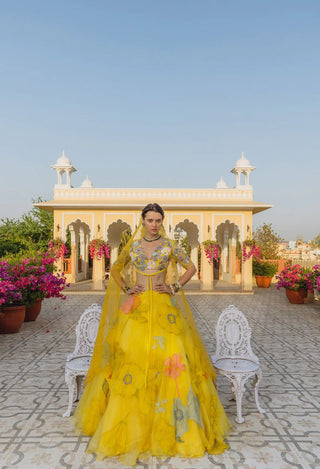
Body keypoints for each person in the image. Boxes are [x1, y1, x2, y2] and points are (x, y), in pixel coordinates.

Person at [72, 203, 231, 465]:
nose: (154, 224)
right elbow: (116, 270)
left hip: (164, 310)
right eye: (150, 220)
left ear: (162, 221)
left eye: (158, 220)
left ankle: (176, 425)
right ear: (142, 220)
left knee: (173, 359)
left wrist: (174, 287)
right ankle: (134, 423)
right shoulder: (133, 247)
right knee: (132, 360)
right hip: (137, 309)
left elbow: (191, 267)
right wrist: (127, 288)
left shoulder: (169, 246)